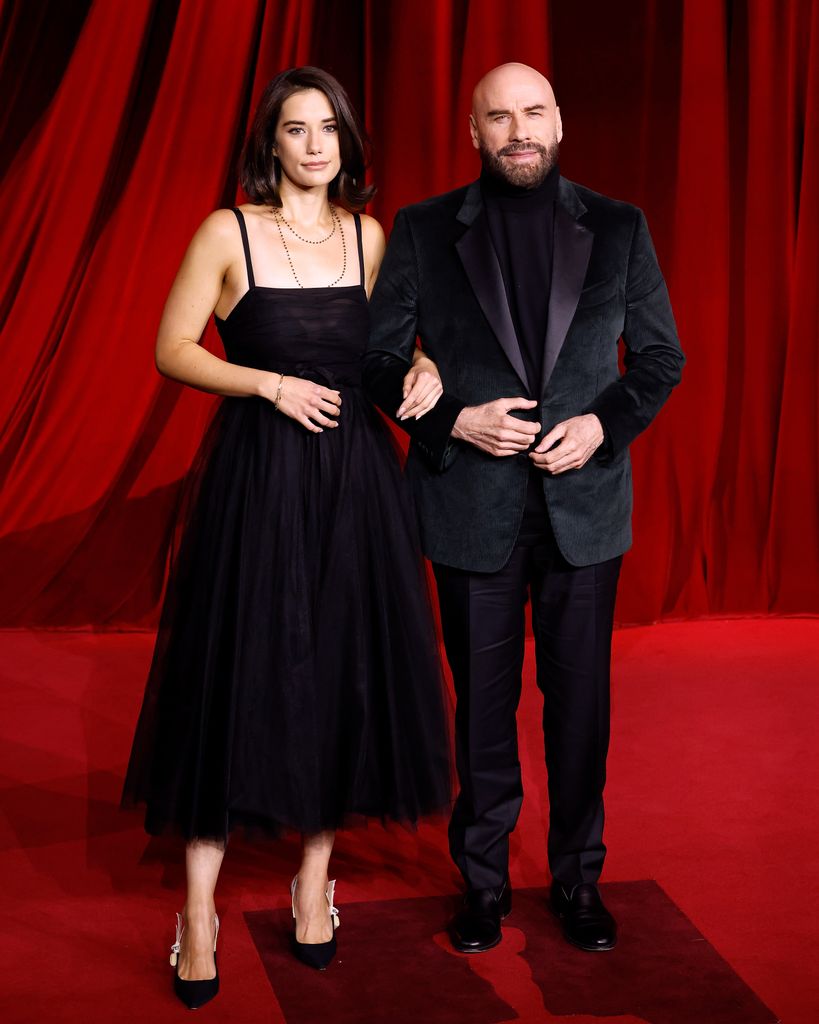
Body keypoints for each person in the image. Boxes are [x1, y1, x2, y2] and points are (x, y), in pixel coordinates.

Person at [122, 66, 451, 1009]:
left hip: (355, 482)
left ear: (347, 144)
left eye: (329, 130)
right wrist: (267, 383)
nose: (314, 144)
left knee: (342, 669)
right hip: (258, 481)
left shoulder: (369, 236)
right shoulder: (226, 231)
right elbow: (172, 348)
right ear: (269, 142)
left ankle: (315, 883)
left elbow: (387, 356)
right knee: (236, 671)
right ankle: (197, 912)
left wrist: (421, 370)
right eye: (296, 129)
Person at [364, 62, 684, 955]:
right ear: (472, 133)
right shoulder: (424, 230)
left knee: (580, 706)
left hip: (583, 509)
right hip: (470, 507)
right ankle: (483, 885)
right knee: (483, 707)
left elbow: (659, 358)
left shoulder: (618, 227)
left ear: (558, 122)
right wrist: (452, 422)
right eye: (497, 117)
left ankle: (579, 878)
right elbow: (379, 361)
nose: (518, 130)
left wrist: (600, 428)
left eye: (533, 112)